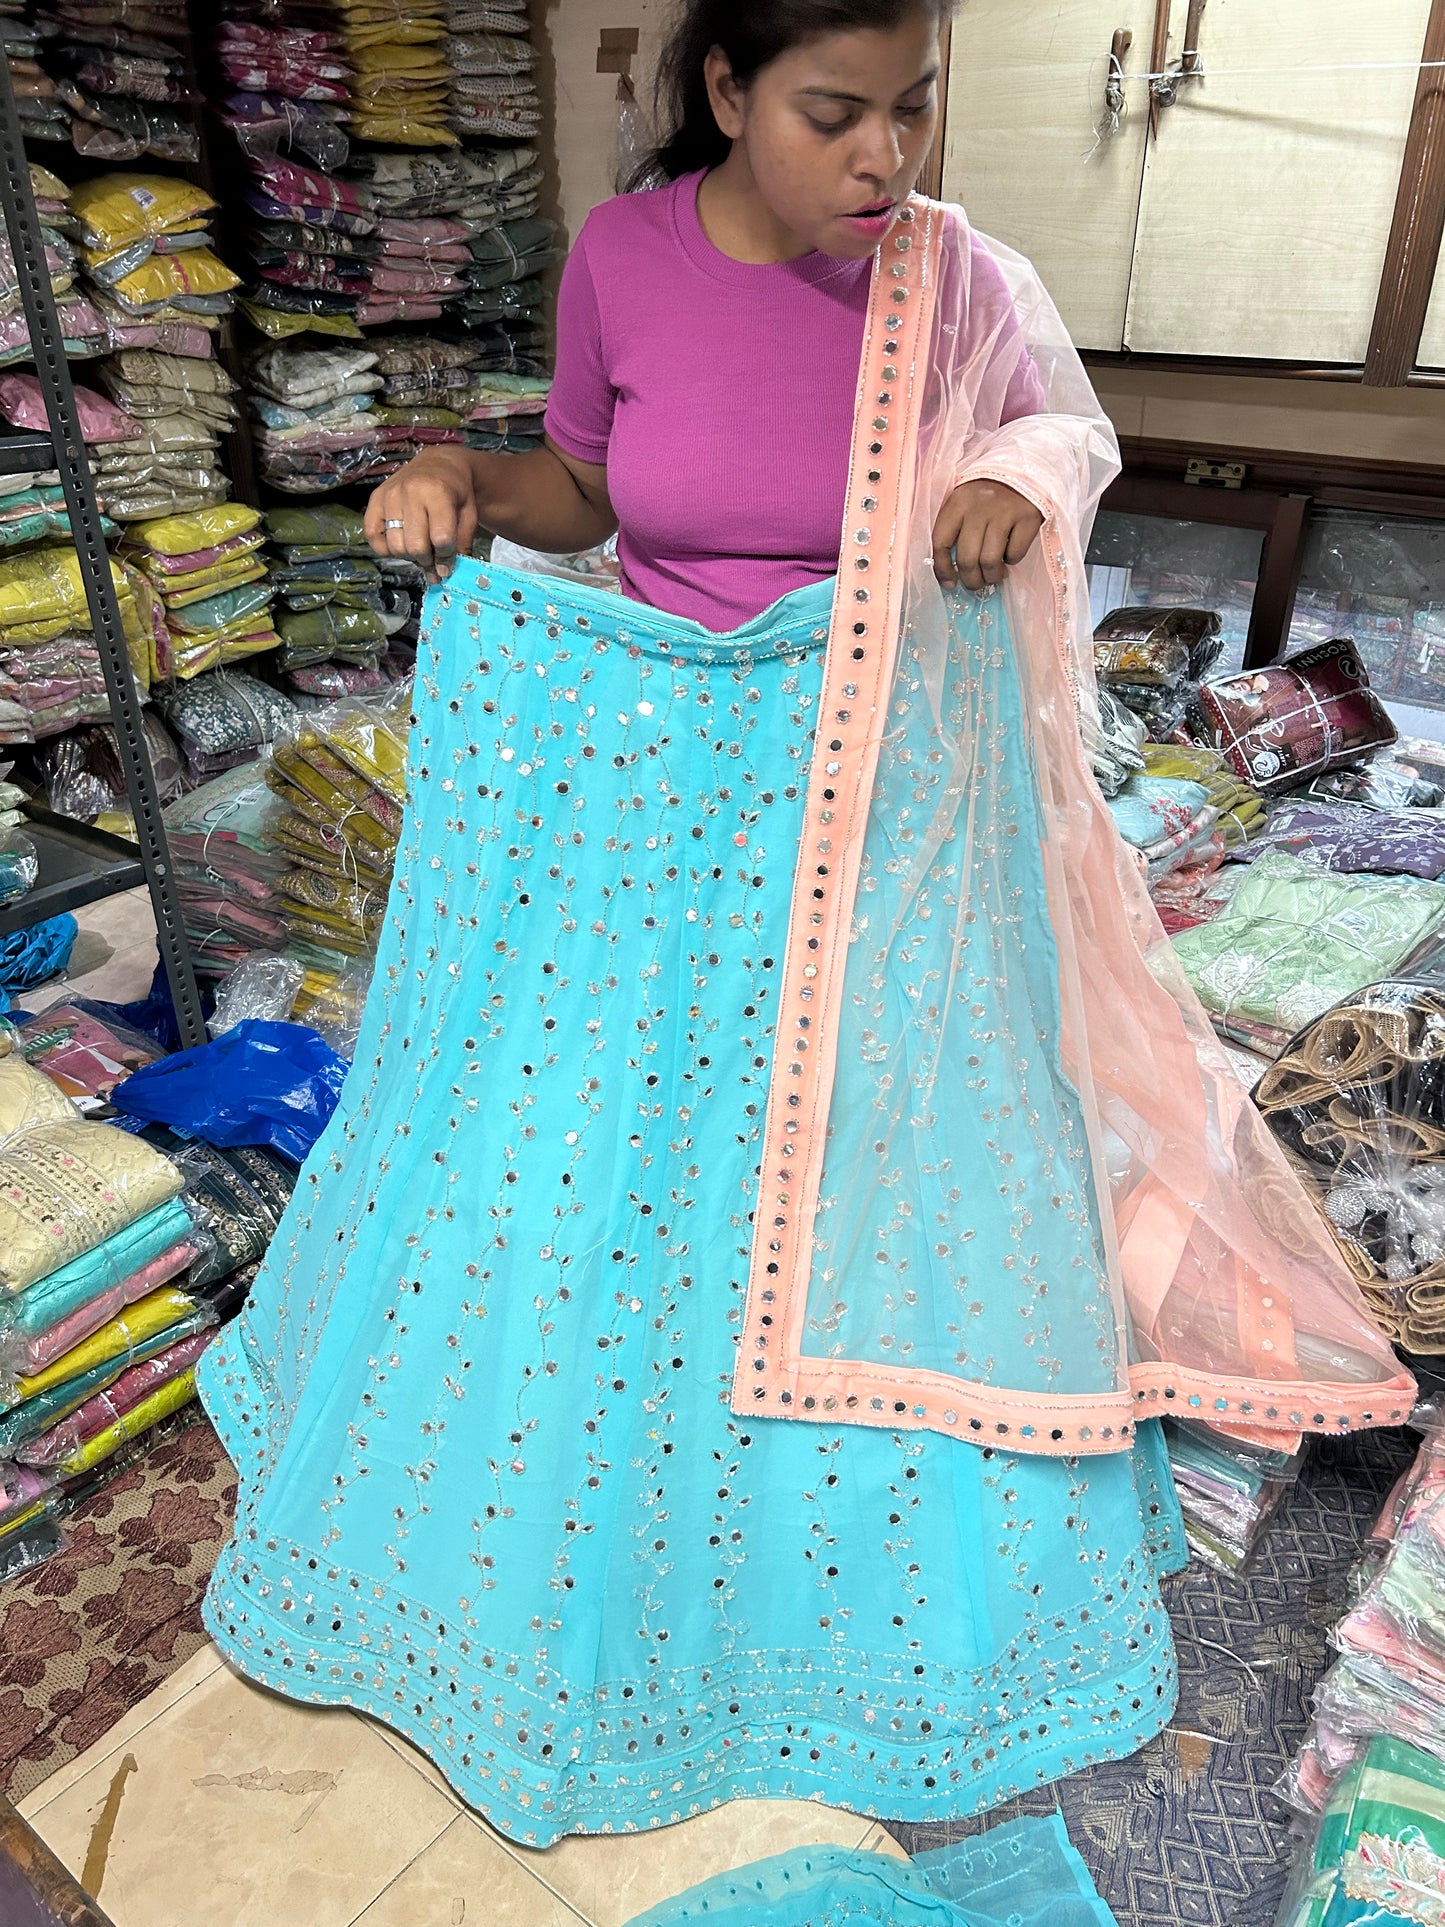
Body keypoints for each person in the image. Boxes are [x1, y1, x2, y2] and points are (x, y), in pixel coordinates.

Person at [198, 0, 1411, 1856]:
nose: (884, 158)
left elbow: (1052, 430)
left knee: (860, 1170)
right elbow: (591, 489)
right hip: (654, 768)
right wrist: (460, 487)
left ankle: (825, 1610)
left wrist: (1013, 479)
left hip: (870, 792)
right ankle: (556, 1552)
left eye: (911, 111)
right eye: (833, 114)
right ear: (723, 95)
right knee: (594, 1155)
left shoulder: (960, 280)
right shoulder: (625, 259)